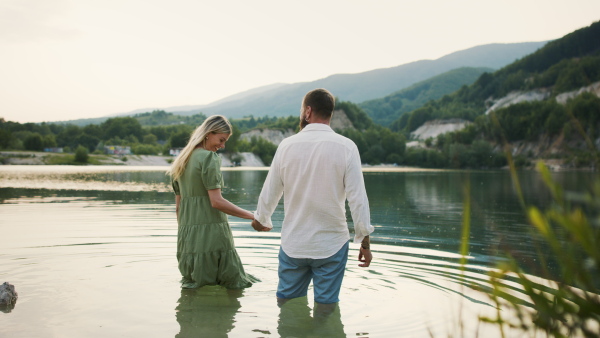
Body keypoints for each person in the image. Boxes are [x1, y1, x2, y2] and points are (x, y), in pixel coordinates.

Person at [253, 88, 374, 306]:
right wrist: (364, 240)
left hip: (294, 243)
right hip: (331, 244)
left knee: (287, 302)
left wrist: (261, 219)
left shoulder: (286, 145)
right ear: (330, 113)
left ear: (308, 111)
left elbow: (270, 189)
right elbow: (358, 199)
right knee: (327, 305)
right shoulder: (346, 147)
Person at [168, 115, 270, 290]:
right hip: (213, 234)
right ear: (209, 133)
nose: (222, 146)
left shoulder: (181, 161)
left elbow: (178, 207)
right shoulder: (209, 158)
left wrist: (187, 236)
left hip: (187, 238)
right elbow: (216, 202)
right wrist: (253, 216)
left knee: (194, 289)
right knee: (234, 286)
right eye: (221, 140)